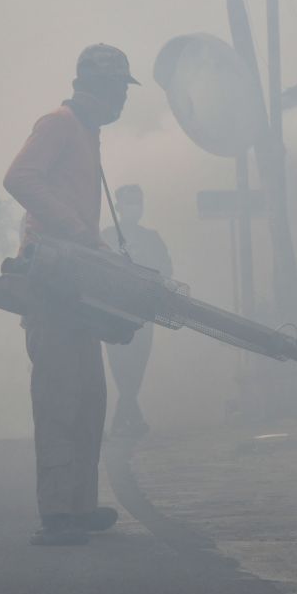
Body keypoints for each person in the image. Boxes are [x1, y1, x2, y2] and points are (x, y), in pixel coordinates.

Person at [3, 43, 139, 546]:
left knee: (88, 399)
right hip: (52, 286)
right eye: (121, 87)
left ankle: (79, 505)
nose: (124, 98)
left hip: (76, 287)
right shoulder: (59, 123)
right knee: (60, 399)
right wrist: (78, 233)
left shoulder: (87, 132)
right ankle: (57, 513)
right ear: (101, 87)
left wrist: (95, 249)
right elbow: (19, 178)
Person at [102, 184, 172, 437]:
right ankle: (130, 415)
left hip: (143, 313)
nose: (135, 207)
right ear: (119, 207)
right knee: (119, 363)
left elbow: (166, 270)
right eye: (129, 202)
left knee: (138, 363)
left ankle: (126, 415)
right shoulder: (106, 236)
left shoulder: (152, 238)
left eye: (138, 202)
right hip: (113, 313)